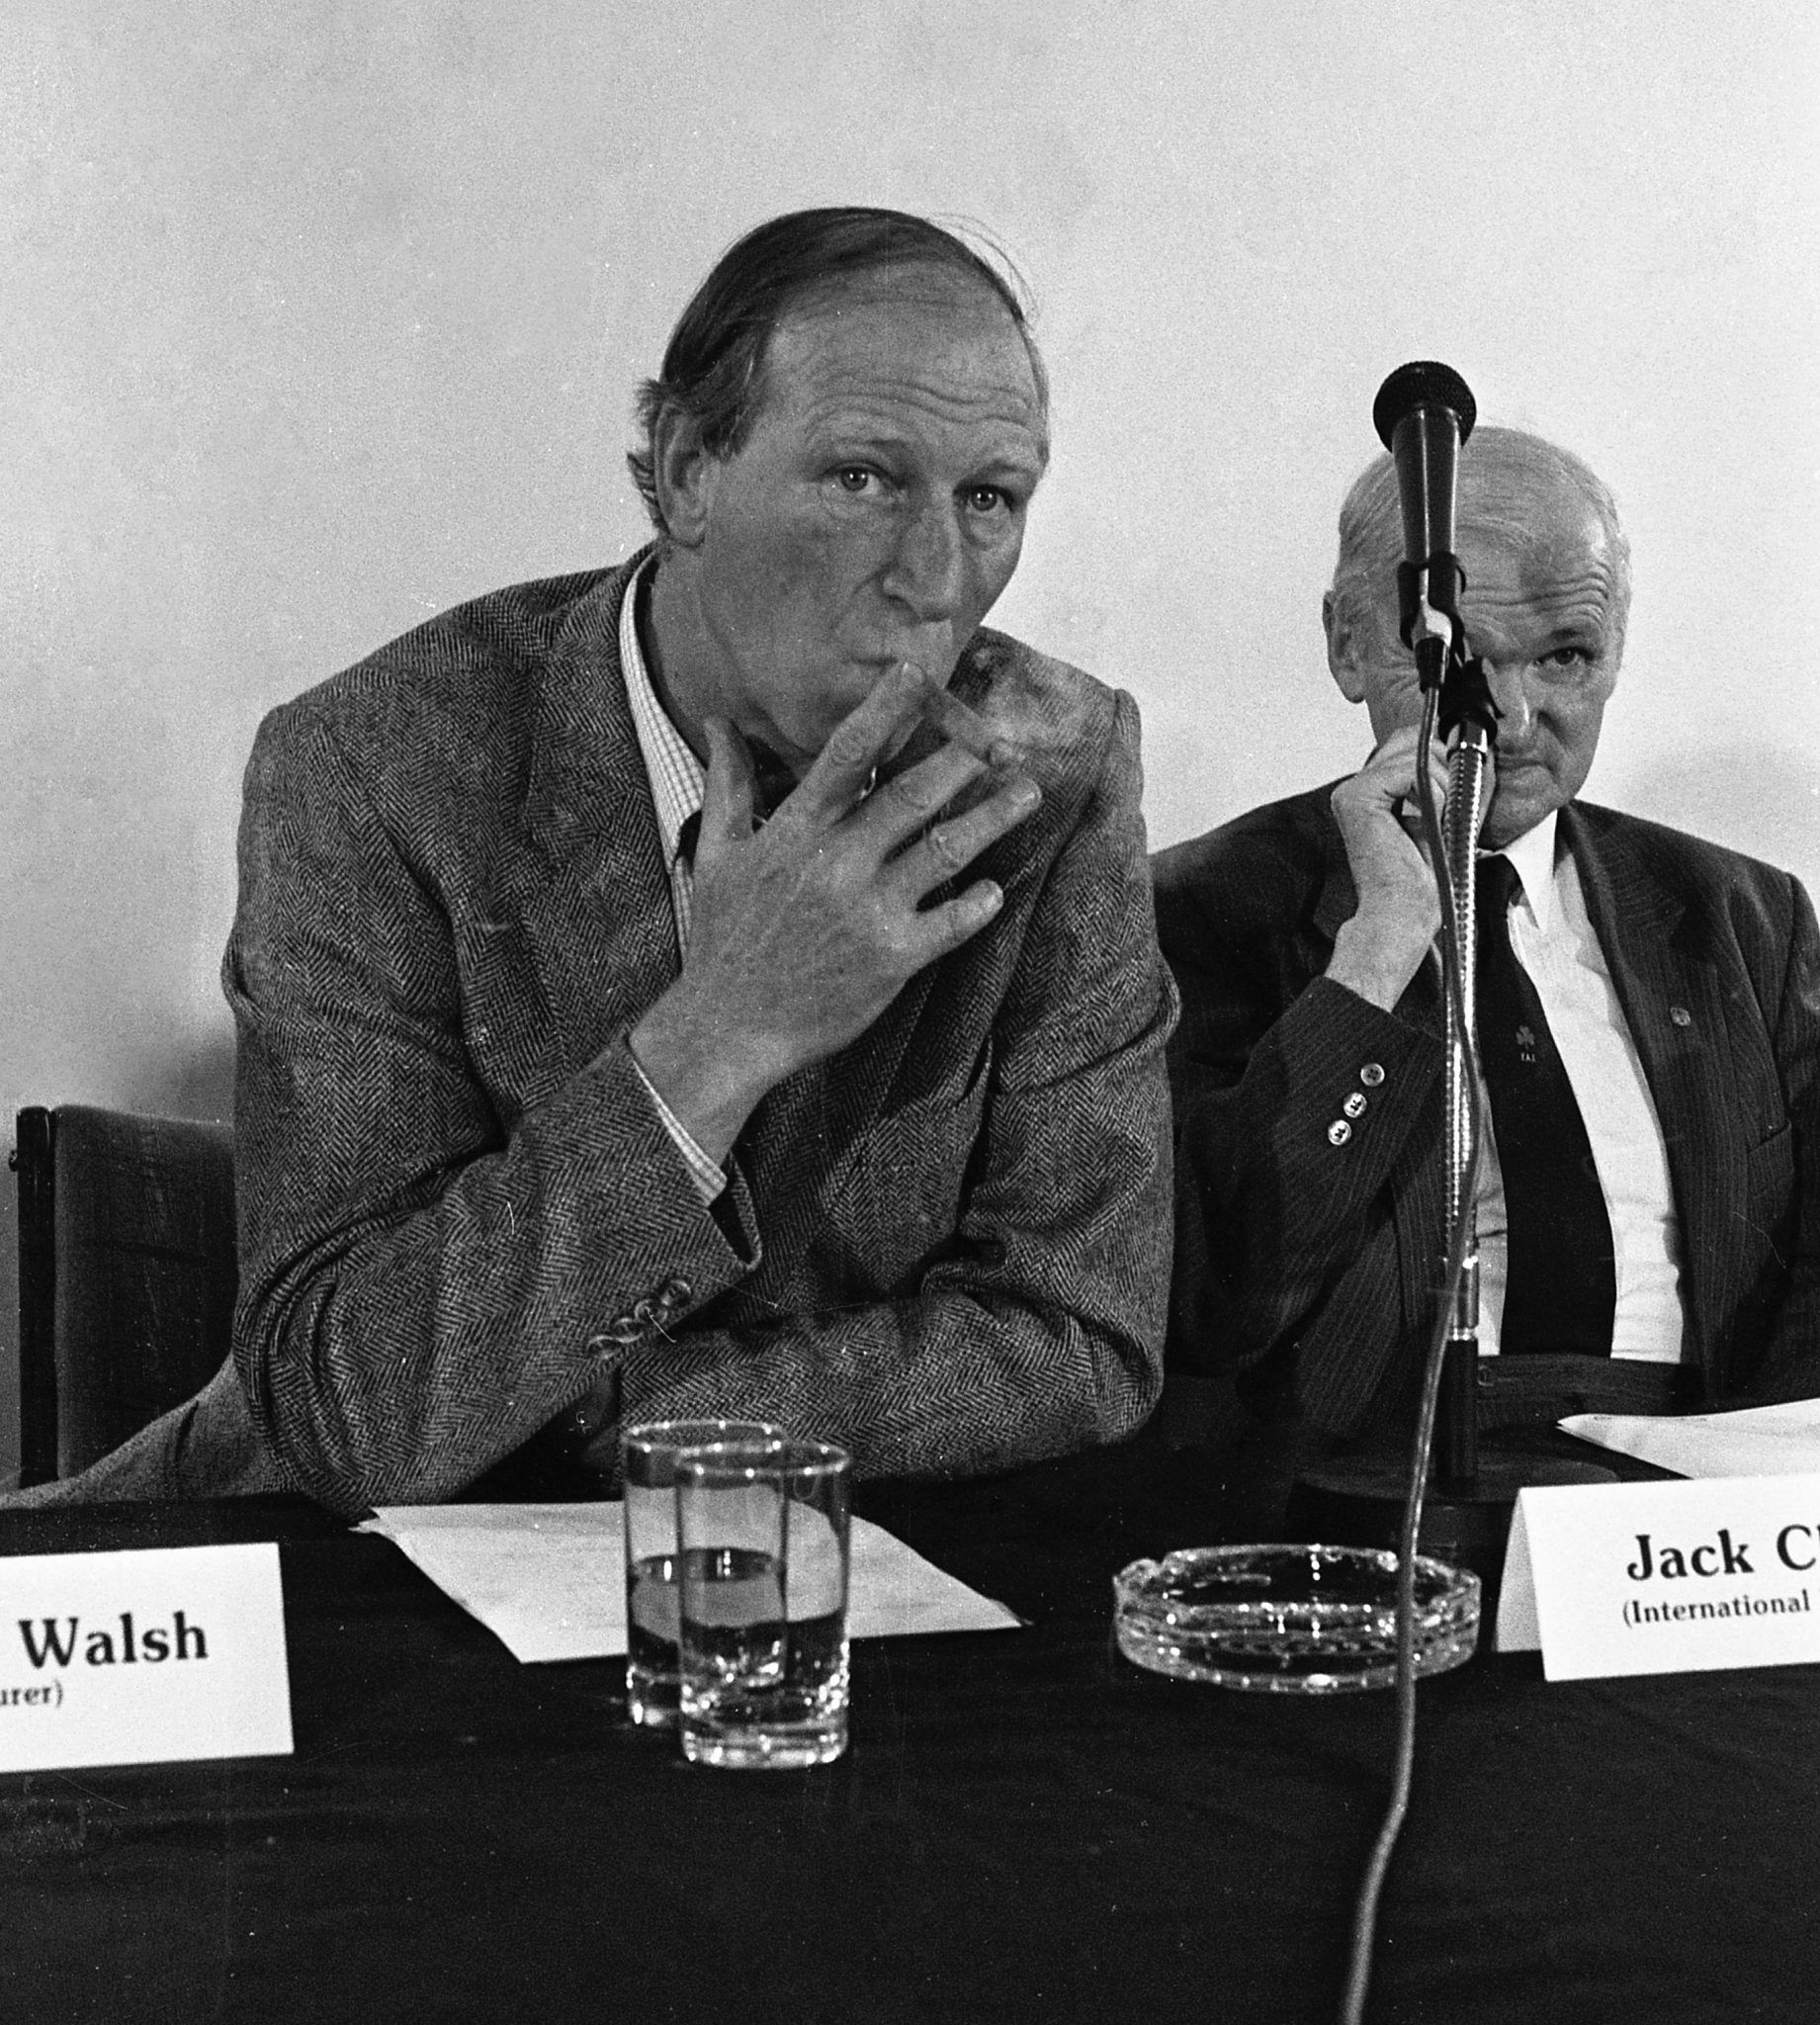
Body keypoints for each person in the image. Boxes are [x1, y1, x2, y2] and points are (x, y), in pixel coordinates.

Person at [21, 208, 1174, 1515]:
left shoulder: (1052, 771)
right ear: (684, 473)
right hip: (331, 1569)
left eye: (988, 498)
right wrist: (718, 1037)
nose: (936, 576)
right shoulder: (376, 764)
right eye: (862, 478)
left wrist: (620, 1410)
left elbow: (1082, 1337)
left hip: (802, 1572)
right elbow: (350, 1408)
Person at [1154, 426, 1818, 1449]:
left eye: (1564, 655)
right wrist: (1376, 952)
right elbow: (1208, 1300)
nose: (1509, 718)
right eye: (1455, 658)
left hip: (1691, 1497)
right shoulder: (1199, 908)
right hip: (1372, 1490)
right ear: (1344, 643)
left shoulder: (1743, 920)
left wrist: (1749, 1483)